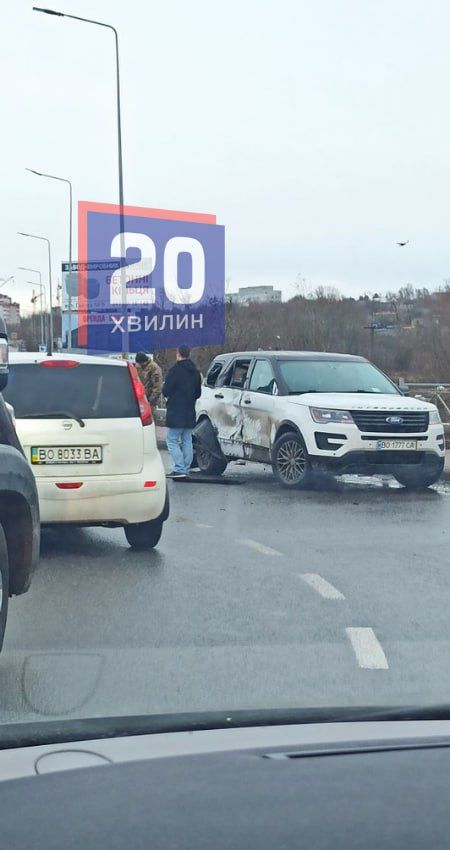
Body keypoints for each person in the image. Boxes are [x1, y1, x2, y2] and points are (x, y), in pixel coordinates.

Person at [163, 344, 202, 479]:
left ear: (178, 354)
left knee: (171, 439)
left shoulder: (175, 370)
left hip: (176, 410)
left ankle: (179, 468)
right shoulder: (195, 371)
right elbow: (198, 393)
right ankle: (186, 468)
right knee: (187, 440)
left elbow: (166, 390)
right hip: (190, 409)